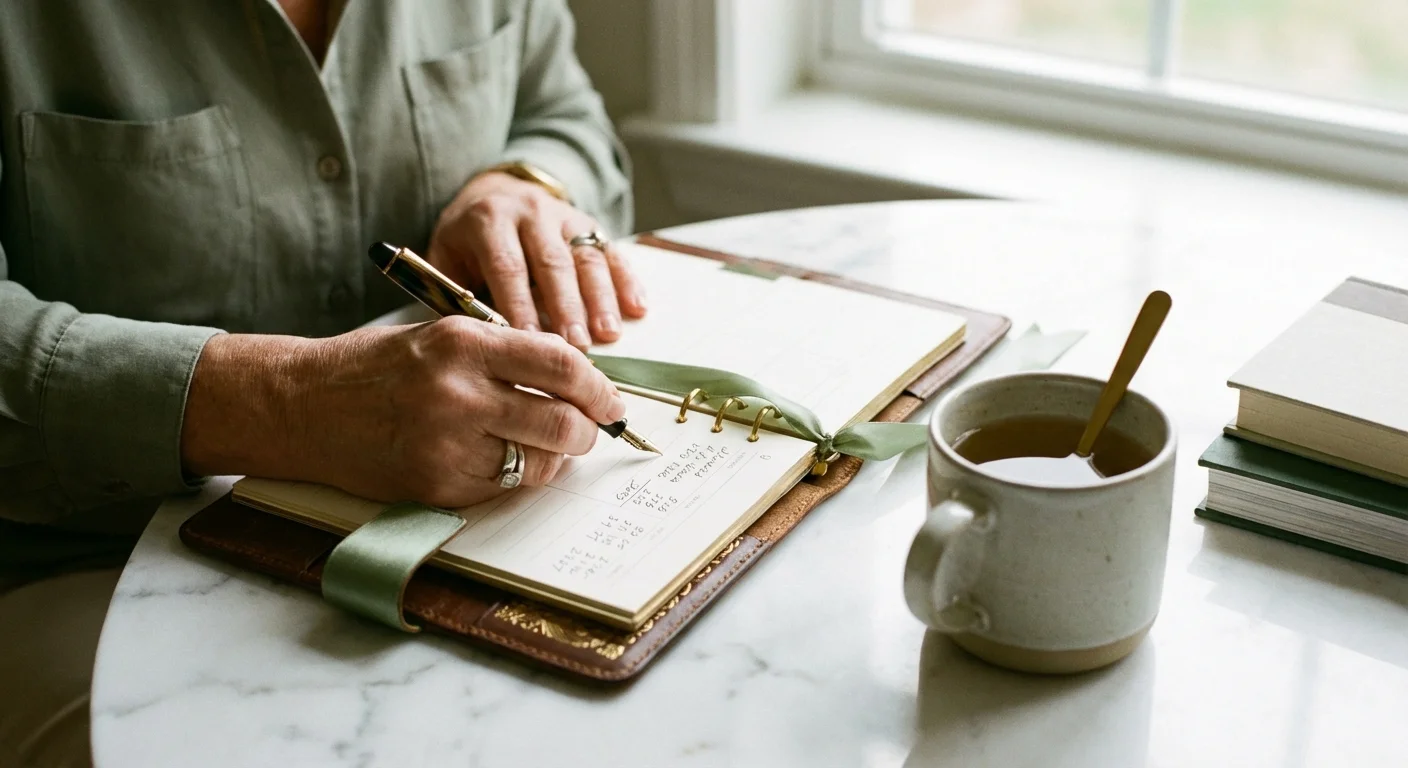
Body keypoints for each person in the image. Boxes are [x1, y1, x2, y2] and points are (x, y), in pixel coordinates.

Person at [0, 2, 641, 765]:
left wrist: (525, 181)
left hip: (468, 547)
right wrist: (297, 405)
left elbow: (564, 113)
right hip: (86, 565)